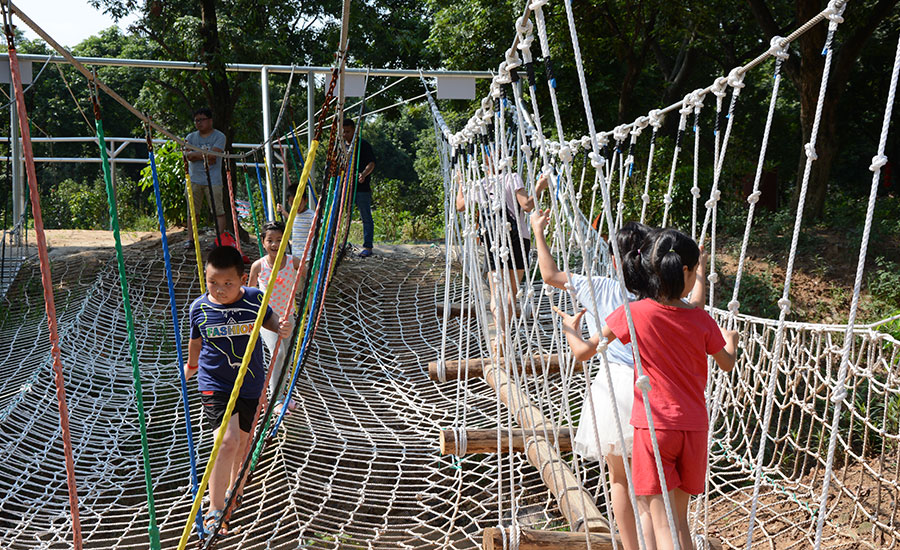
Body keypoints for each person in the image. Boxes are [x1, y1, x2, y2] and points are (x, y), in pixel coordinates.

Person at [555, 228, 738, 550]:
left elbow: (583, 353)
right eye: (696, 271)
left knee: (662, 522)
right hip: (694, 428)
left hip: (654, 428)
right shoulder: (702, 319)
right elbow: (726, 362)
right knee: (680, 522)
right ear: (686, 272)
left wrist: (571, 329)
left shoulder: (633, 313)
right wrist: (732, 342)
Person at [531, 211, 654, 550]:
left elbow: (550, 274)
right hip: (653, 389)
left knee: (620, 480)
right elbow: (696, 305)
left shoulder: (600, 286)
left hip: (613, 391)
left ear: (614, 259)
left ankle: (631, 547)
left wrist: (538, 232)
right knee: (651, 483)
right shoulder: (662, 297)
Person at [184, 245, 290, 536]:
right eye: (212, 283)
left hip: (250, 382)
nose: (219, 290)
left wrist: (280, 326)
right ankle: (214, 508)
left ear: (243, 280)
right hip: (215, 383)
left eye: (228, 283)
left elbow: (270, 318)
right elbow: (196, 341)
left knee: (243, 445)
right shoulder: (199, 308)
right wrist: (191, 366)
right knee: (227, 441)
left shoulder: (254, 299)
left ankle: (234, 490)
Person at [455, 159, 547, 355]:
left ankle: (499, 336)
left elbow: (460, 206)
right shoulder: (512, 177)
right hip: (517, 238)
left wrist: (461, 184)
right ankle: (504, 334)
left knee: (497, 291)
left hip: (493, 239)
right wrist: (539, 187)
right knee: (510, 292)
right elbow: (527, 205)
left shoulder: (479, 184)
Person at [248, 221, 305, 414]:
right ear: (263, 242)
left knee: (287, 357)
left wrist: (306, 287)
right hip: (268, 318)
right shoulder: (259, 266)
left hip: (288, 315)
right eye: (270, 240)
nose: (275, 244)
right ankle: (276, 400)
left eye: (279, 240)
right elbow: (250, 292)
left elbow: (309, 274)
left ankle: (282, 393)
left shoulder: (292, 261)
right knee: (277, 353)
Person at [184, 107, 227, 244]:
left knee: (218, 211)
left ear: (210, 121)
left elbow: (214, 156)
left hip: (213, 180)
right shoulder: (190, 137)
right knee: (192, 211)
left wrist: (196, 155)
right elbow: (187, 156)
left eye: (202, 120)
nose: (199, 123)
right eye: (196, 120)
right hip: (194, 179)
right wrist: (204, 155)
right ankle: (191, 239)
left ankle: (218, 240)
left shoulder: (219, 136)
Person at [342, 119, 377, 257]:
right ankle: (341, 244)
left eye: (348, 131)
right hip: (346, 187)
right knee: (344, 217)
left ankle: (368, 246)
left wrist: (363, 174)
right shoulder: (342, 146)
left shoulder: (363, 145)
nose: (345, 134)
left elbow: (371, 163)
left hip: (362, 189)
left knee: (366, 217)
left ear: (354, 130)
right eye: (343, 132)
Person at [276, 183, 315, 262]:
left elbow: (321, 223)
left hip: (308, 256)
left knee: (307, 273)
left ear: (306, 200)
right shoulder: (294, 214)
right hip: (296, 255)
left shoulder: (311, 215)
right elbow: (292, 220)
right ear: (288, 202)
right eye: (292, 203)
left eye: (299, 203)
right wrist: (283, 211)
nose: (296, 206)